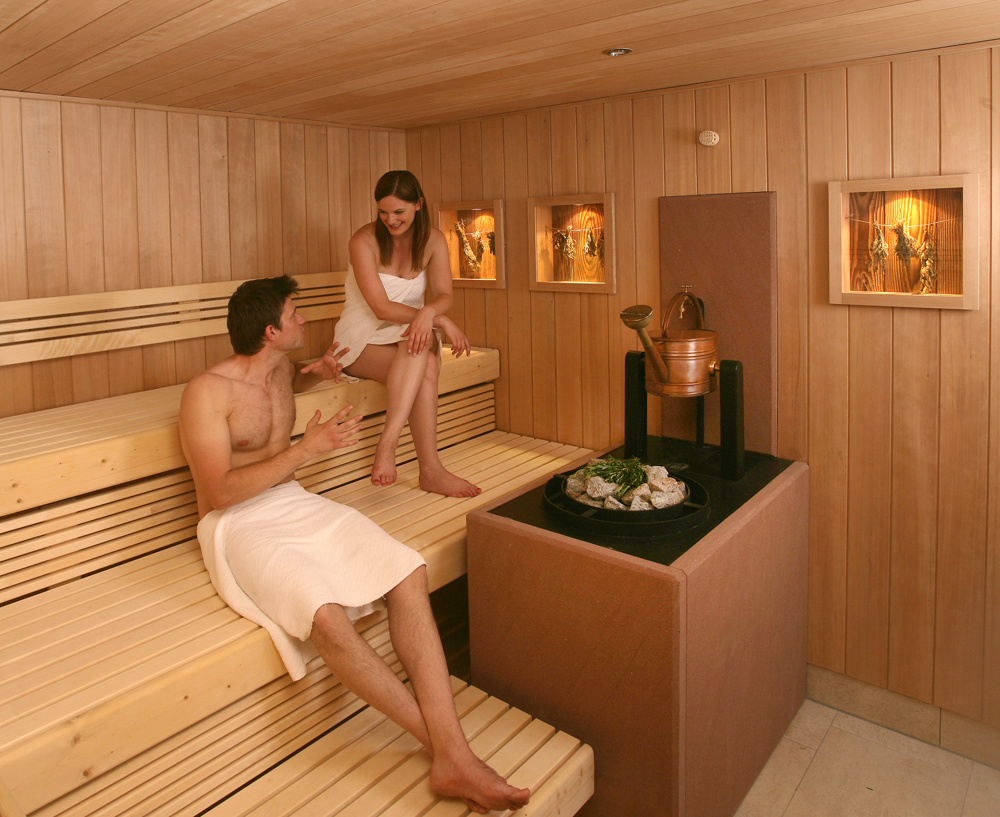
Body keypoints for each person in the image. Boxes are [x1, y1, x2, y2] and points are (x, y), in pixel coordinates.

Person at [178, 275, 529, 814]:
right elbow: (220, 491)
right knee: (324, 614)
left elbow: (282, 389)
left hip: (290, 500)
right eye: (293, 314)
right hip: (237, 523)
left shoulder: (279, 368)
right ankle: (450, 752)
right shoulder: (206, 393)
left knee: (408, 569)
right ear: (270, 331)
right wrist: (305, 451)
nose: (303, 320)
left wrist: (316, 372)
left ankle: (450, 755)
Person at [333, 169, 481, 498]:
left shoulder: (433, 240)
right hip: (360, 339)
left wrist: (430, 314)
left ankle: (403, 454)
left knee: (420, 355)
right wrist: (438, 321)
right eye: (383, 212)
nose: (390, 220)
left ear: (418, 205)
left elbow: (444, 294)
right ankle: (421, 464)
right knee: (422, 356)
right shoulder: (363, 241)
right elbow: (381, 308)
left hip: (408, 333)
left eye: (399, 211)